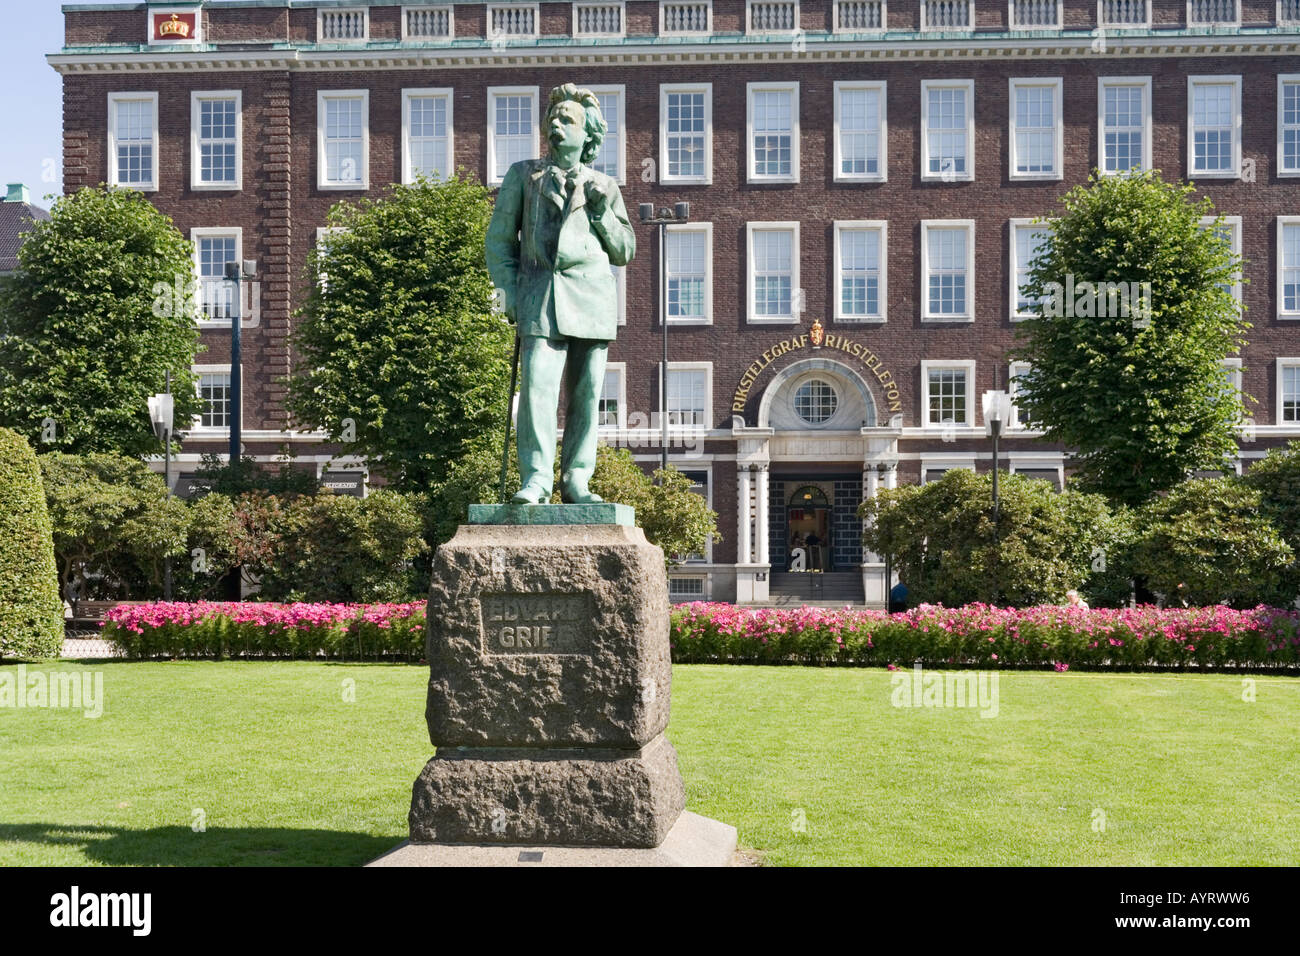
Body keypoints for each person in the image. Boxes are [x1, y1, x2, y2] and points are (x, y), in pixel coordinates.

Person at [485, 83, 636, 504]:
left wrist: (603, 211)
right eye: (553, 118)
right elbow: (498, 243)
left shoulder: (605, 185)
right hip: (539, 299)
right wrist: (508, 295)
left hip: (592, 302)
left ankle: (577, 481)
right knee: (536, 391)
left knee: (587, 396)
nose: (556, 124)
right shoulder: (523, 175)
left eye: (567, 119)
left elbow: (624, 251)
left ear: (588, 134)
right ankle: (535, 480)